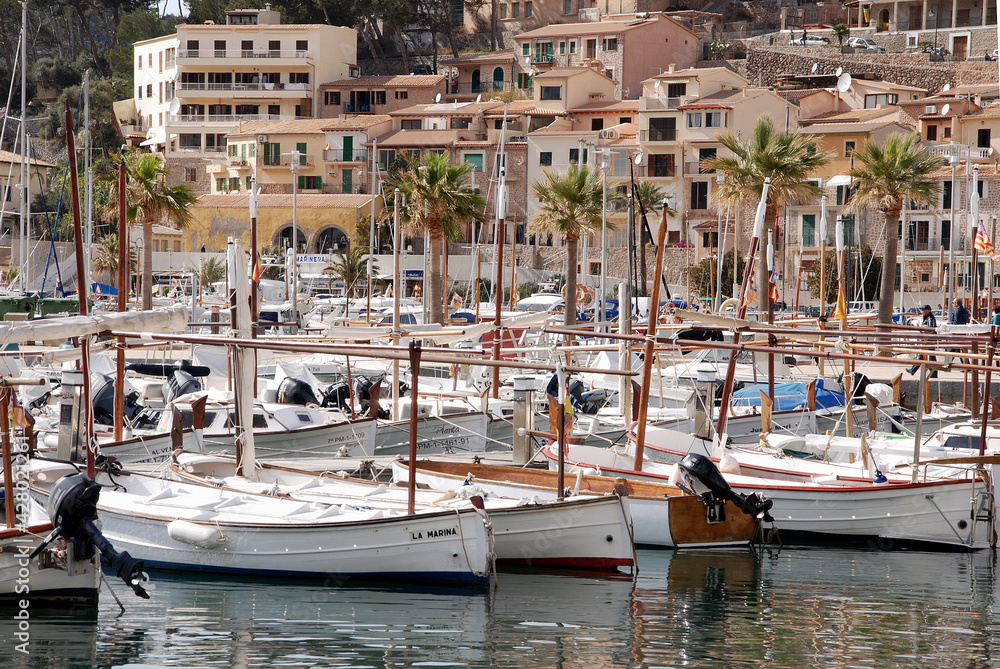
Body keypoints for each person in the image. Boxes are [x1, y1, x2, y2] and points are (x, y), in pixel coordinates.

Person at [908, 305, 938, 375]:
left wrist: (924, 328)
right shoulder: (927, 318)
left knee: (930, 356)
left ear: (928, 311)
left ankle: (933, 373)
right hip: (926, 340)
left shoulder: (930, 318)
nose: (922, 311)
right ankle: (913, 370)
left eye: (923, 310)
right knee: (923, 355)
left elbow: (930, 329)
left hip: (928, 341)